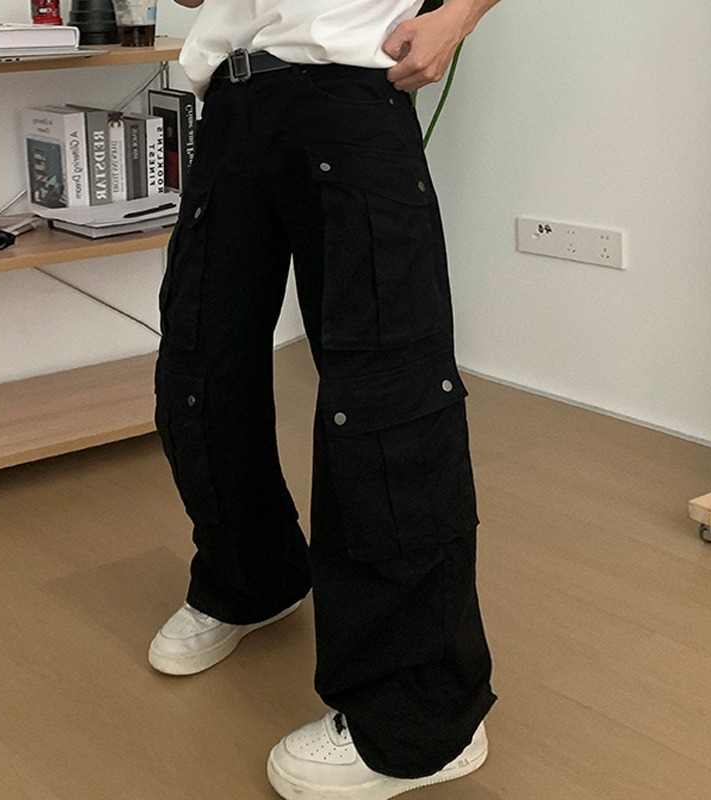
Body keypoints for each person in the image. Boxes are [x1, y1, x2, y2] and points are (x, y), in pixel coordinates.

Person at [149, 1, 501, 798]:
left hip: (349, 93)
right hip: (230, 102)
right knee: (200, 369)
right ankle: (250, 580)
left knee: (386, 395)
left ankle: (424, 716)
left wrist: (458, 16)